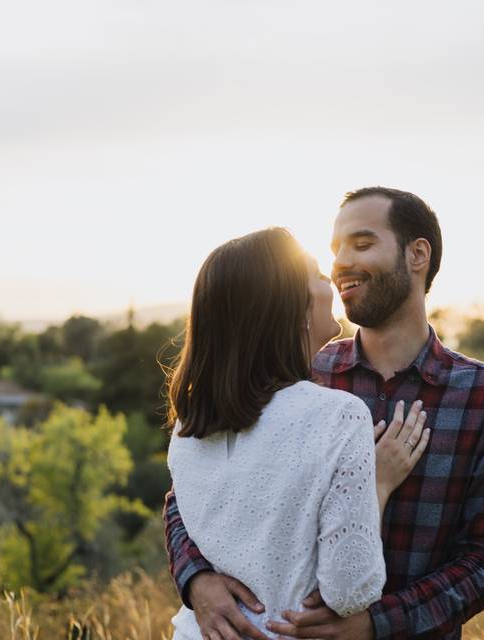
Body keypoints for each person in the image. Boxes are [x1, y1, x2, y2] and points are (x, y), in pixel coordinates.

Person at [165, 187, 484, 639]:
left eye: (362, 244)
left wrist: (375, 624)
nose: (339, 263)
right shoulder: (294, 376)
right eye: (334, 250)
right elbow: (191, 492)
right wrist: (196, 579)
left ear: (417, 255)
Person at [165, 227, 431, 640]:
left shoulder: (188, 424)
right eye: (318, 279)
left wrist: (196, 579)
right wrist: (376, 485)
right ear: (294, 308)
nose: (332, 283)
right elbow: (348, 591)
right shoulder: (338, 416)